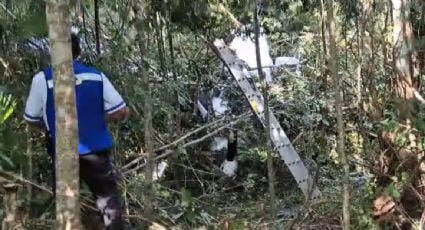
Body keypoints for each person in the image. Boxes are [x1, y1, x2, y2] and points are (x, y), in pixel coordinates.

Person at [23, 33, 129, 229]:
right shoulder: (96, 76)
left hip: (63, 152)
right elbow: (121, 110)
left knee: (67, 210)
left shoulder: (42, 79)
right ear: (78, 51)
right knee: (109, 205)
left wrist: (52, 127)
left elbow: (31, 118)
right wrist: (96, 119)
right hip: (96, 152)